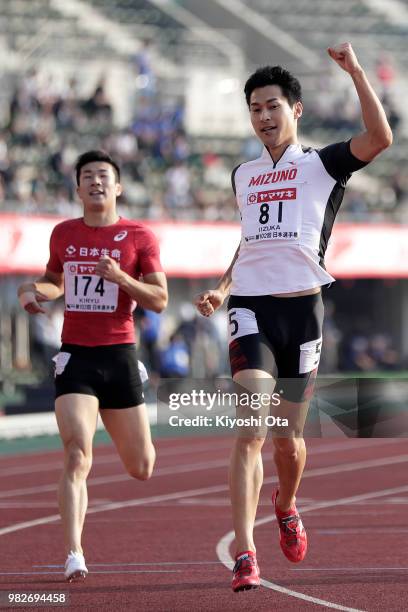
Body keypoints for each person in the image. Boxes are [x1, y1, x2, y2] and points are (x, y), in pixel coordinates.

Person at [195, 43, 392, 592]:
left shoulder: (322, 165)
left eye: (272, 106)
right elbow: (249, 243)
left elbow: (380, 140)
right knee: (251, 430)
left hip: (303, 311)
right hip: (251, 308)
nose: (263, 117)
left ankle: (286, 502)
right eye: (255, 108)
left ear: (295, 110)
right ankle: (245, 553)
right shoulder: (244, 174)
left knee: (288, 441)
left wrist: (355, 71)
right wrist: (222, 287)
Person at [17, 150, 167, 582]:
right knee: (77, 453)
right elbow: (55, 280)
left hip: (119, 357)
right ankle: (74, 554)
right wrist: (35, 290)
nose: (96, 182)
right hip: (76, 357)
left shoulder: (140, 236)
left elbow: (159, 301)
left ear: (118, 186)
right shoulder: (63, 233)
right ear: (78, 188)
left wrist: (121, 278)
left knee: (142, 467)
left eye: (104, 175)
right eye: (87, 176)